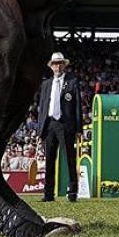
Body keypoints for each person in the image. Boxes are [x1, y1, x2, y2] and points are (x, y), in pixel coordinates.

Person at [37, 51, 83, 202]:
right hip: (49, 124)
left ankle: (72, 192)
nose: (57, 66)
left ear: (64, 65)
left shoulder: (72, 82)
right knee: (49, 159)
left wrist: (78, 128)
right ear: (51, 66)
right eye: (55, 64)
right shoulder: (46, 84)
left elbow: (77, 106)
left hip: (65, 124)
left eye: (60, 63)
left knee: (69, 158)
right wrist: (40, 129)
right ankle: (48, 193)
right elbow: (42, 107)